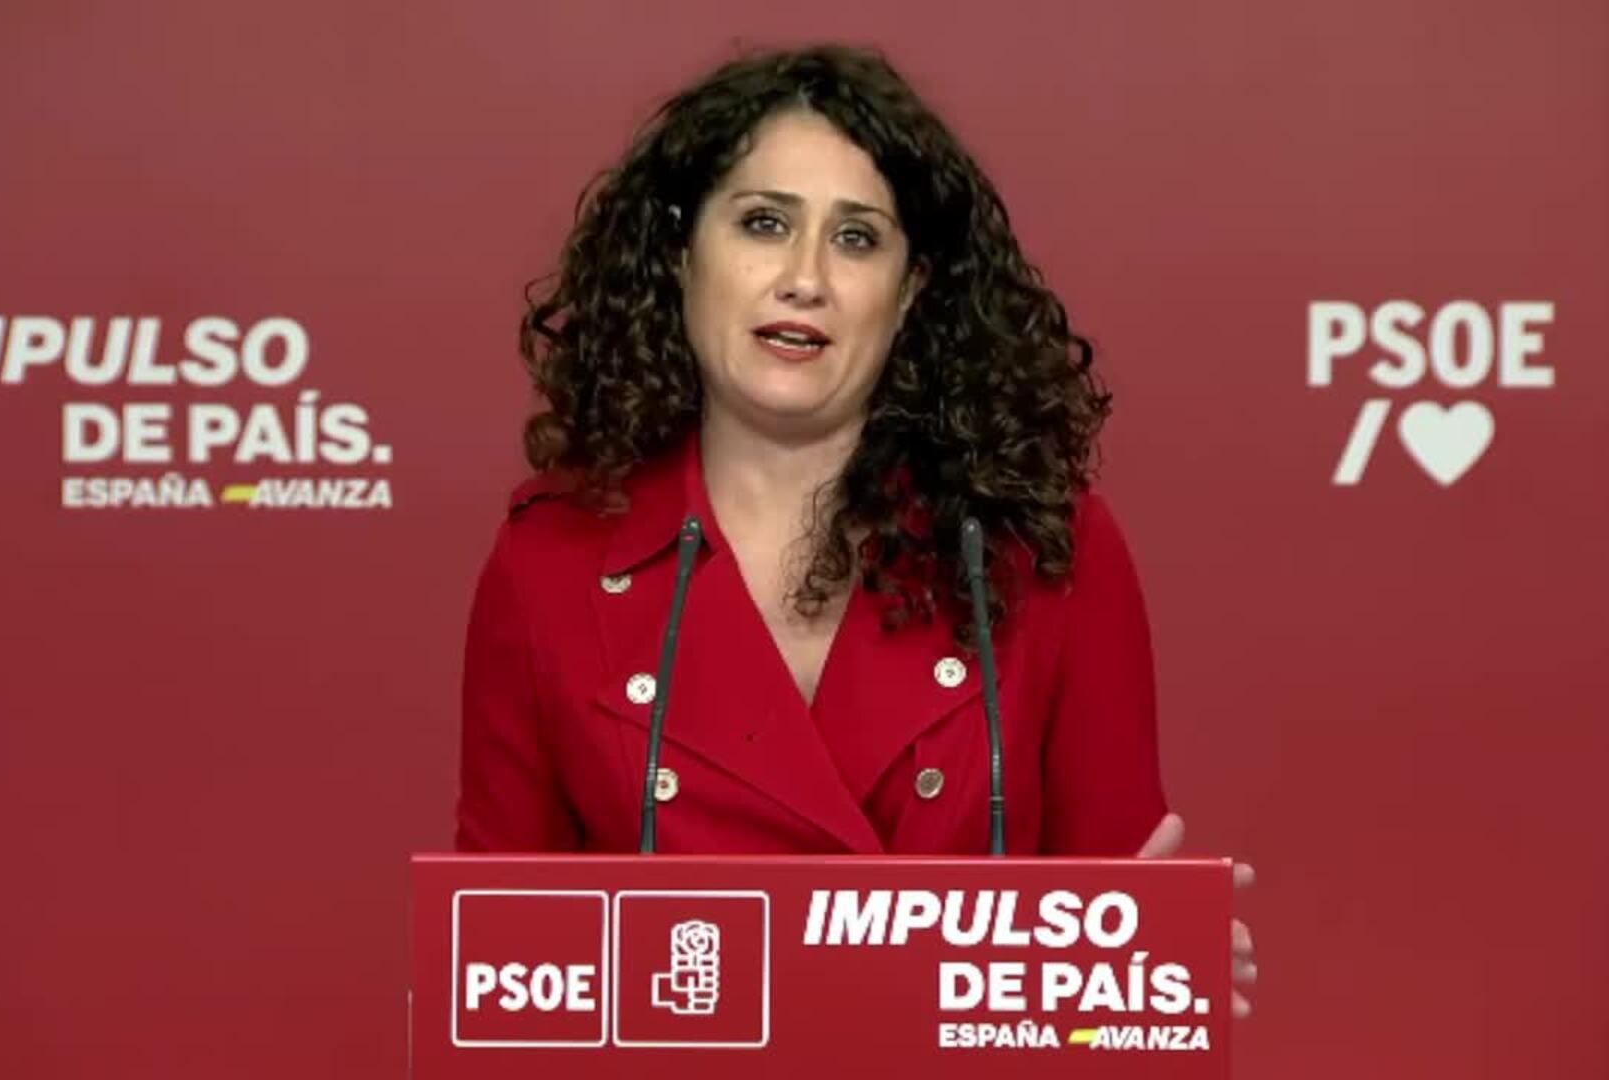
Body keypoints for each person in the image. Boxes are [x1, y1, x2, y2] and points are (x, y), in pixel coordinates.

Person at [457, 44, 1256, 1016]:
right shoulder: (550, 561)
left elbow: (1106, 978)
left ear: (912, 287)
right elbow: (493, 970)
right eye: (763, 223)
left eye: (857, 239)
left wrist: (1151, 975)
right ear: (680, 252)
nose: (805, 279)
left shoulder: (1044, 546)